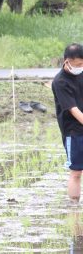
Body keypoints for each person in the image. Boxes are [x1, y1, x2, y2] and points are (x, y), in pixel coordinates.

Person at [52, 43, 83, 203]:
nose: (80, 67)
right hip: (74, 132)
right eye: (77, 65)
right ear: (66, 61)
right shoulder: (60, 82)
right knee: (76, 171)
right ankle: (73, 207)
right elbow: (73, 109)